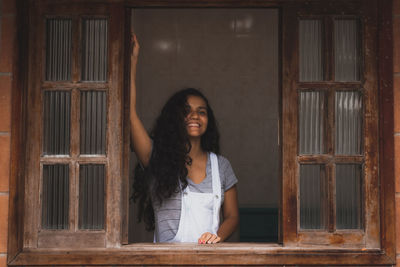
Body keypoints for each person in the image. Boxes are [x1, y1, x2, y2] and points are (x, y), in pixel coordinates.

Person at [130, 34, 239, 244]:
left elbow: (232, 217)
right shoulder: (155, 157)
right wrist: (132, 61)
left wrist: (217, 236)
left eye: (202, 111)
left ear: (209, 120)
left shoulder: (221, 166)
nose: (195, 116)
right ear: (174, 118)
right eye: (186, 111)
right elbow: (130, 114)